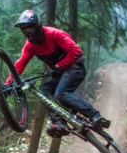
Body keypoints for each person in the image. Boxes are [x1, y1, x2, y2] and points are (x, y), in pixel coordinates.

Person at [6, 9, 110, 138]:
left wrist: (60, 66)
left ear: (38, 25)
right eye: (25, 29)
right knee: (44, 89)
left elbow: (75, 51)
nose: (28, 32)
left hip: (75, 68)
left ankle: (95, 116)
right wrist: (9, 83)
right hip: (61, 73)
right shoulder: (30, 45)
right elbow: (20, 63)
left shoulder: (54, 34)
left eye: (31, 28)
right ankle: (60, 123)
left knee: (61, 93)